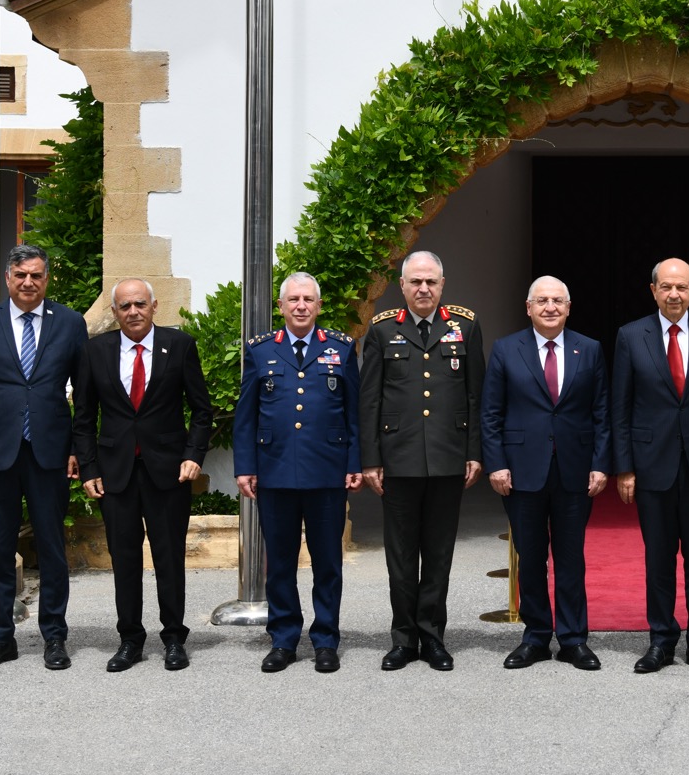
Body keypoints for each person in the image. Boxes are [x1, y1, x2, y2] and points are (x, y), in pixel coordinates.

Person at [0, 244, 88, 671]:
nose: (28, 282)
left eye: (36, 275)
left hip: (51, 453)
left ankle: (54, 636)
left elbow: (85, 396)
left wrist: (78, 450)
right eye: (20, 275)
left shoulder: (70, 323)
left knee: (51, 548)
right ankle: (1, 638)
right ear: (8, 279)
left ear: (46, 279)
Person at [72, 277, 214, 672]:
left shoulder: (179, 345)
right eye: (125, 306)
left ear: (154, 306)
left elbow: (202, 410)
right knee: (125, 560)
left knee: (169, 557)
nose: (133, 312)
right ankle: (130, 640)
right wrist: (89, 468)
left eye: (139, 304)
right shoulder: (95, 351)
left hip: (168, 473)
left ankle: (174, 639)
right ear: (114, 312)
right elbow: (83, 417)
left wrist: (193, 455)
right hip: (115, 474)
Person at [611, 259, 689, 676]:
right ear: (653, 291)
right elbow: (620, 407)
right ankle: (661, 641)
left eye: (681, 287)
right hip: (652, 465)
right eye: (666, 287)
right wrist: (624, 467)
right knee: (659, 560)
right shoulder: (631, 335)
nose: (674, 294)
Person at [359, 250, 485, 672]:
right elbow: (369, 400)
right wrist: (371, 460)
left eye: (431, 281)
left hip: (448, 458)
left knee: (438, 554)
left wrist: (474, 452)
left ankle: (432, 638)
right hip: (398, 460)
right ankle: (403, 639)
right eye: (416, 281)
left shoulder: (465, 326)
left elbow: (475, 394)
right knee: (400, 557)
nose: (424, 289)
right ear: (402, 285)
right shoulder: (381, 330)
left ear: (442, 284)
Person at [234, 272, 363, 673]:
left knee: (328, 564)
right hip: (275, 473)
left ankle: (325, 640)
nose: (301, 306)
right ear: (281, 306)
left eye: (308, 299)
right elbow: (246, 415)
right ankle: (284, 640)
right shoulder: (260, 350)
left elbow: (354, 413)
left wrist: (354, 463)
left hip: (327, 472)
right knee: (280, 564)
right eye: (293, 300)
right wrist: (245, 467)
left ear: (319, 306)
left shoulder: (341, 348)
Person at [481, 276, 611, 670]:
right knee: (531, 557)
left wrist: (601, 463)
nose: (550, 307)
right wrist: (496, 463)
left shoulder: (590, 349)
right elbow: (491, 413)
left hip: (575, 470)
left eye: (557, 301)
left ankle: (573, 639)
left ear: (569, 308)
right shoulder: (506, 349)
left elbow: (602, 412)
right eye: (542, 301)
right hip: (522, 471)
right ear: (528, 308)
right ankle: (536, 636)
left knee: (571, 558)